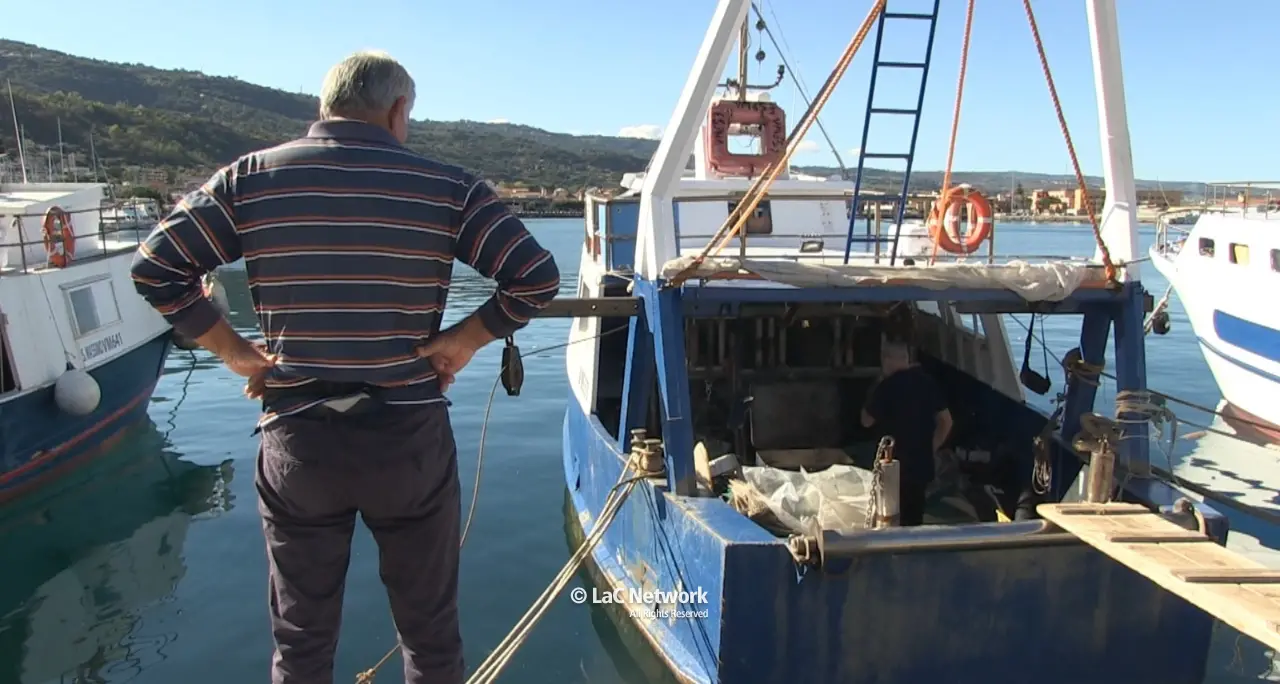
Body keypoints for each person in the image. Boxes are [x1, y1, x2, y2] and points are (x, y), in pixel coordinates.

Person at [130, 50, 560, 684]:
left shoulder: (250, 178)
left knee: (301, 642)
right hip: (407, 441)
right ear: (398, 109)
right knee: (430, 638)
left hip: (298, 441)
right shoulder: (450, 188)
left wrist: (236, 353)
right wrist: (463, 341)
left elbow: (155, 268)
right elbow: (535, 278)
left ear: (324, 106)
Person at [860, 337, 953, 527]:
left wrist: (873, 391)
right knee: (915, 517)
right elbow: (947, 421)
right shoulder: (928, 382)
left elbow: (866, 421)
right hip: (921, 465)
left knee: (889, 517)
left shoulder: (885, 387)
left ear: (887, 360)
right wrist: (932, 446)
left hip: (892, 467)